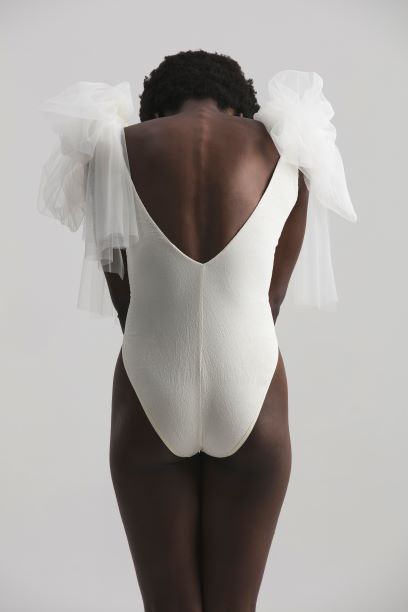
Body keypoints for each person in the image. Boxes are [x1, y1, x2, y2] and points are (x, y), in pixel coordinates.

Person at [37, 49, 357, 612]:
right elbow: (273, 295)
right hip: (252, 389)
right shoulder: (289, 148)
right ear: (240, 106)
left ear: (157, 108)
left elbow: (123, 295)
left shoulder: (114, 147)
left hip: (150, 387)